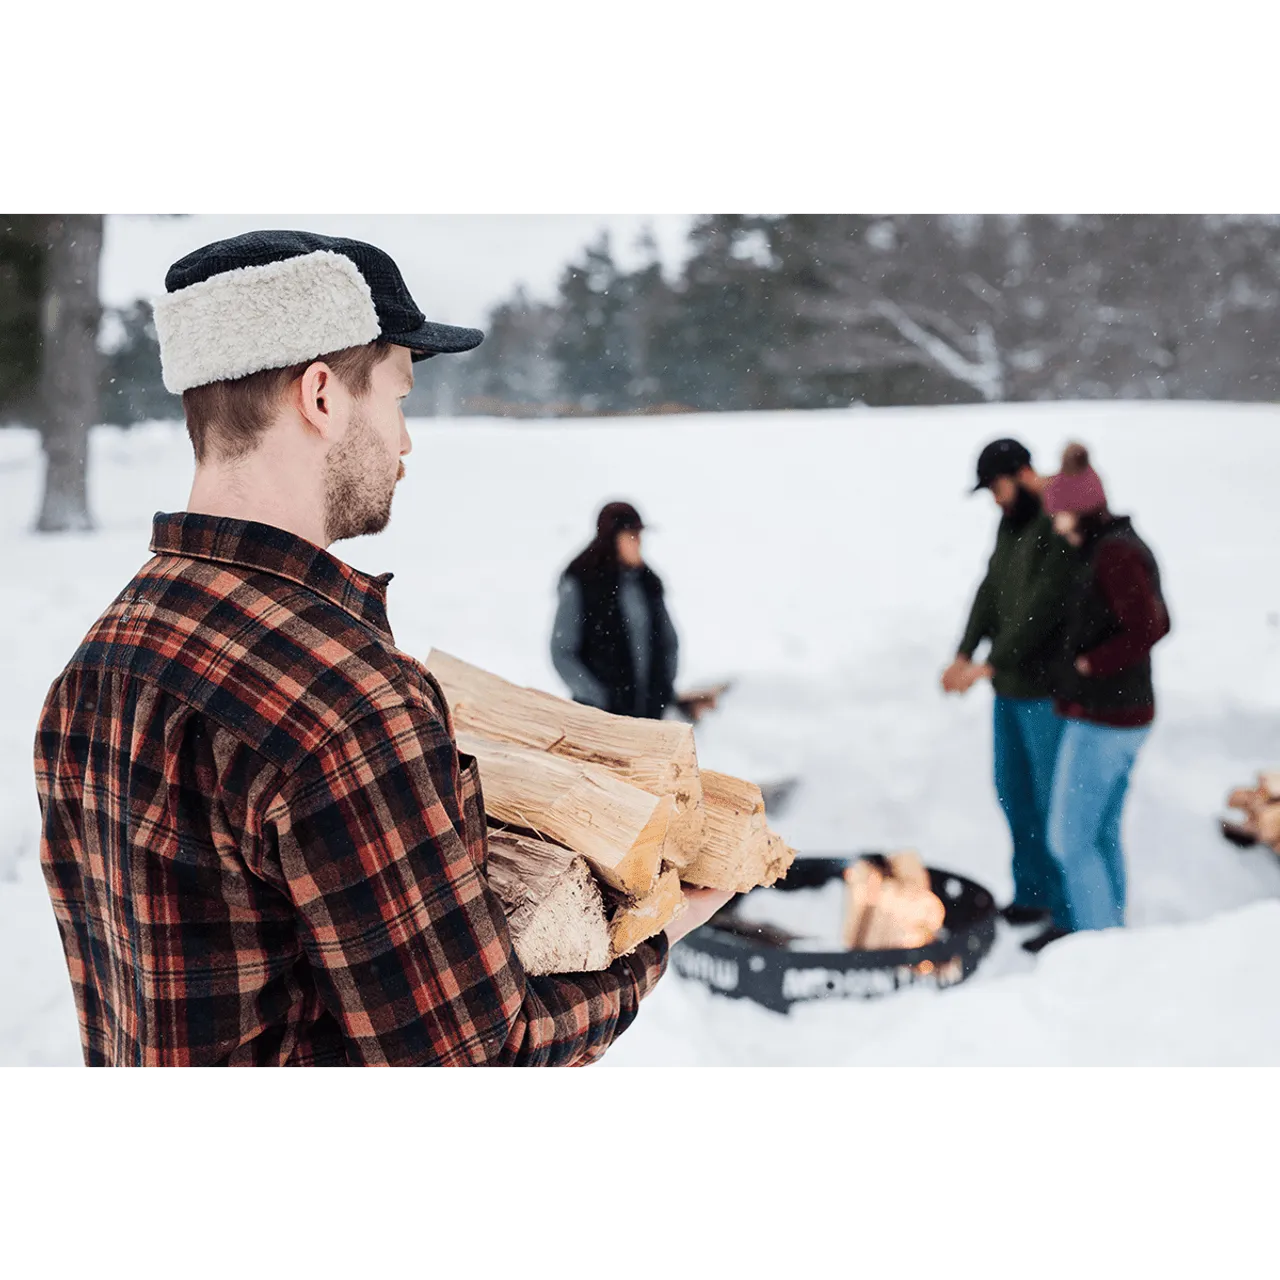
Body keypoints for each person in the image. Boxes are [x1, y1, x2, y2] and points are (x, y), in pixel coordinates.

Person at [33, 231, 732, 1070]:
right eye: (398, 398)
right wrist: (655, 939)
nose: (406, 445)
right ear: (321, 396)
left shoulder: (103, 658)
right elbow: (476, 1055)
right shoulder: (347, 702)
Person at [1024, 444, 1170, 953]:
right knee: (1099, 833)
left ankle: (1098, 954)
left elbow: (1151, 625)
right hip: (1117, 714)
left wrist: (1090, 664)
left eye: (1059, 513)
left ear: (1079, 510)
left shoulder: (1115, 554)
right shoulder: (1111, 547)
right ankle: (1111, 939)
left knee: (1069, 838)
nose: (1056, 524)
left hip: (1106, 718)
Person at [941, 438, 1075, 931]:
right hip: (1008, 691)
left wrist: (989, 663)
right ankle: (1032, 894)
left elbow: (1046, 604)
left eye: (997, 487)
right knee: (1013, 793)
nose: (995, 499)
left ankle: (1066, 913)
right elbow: (991, 586)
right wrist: (964, 650)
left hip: (1045, 692)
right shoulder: (1011, 521)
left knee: (1051, 802)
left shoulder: (1055, 518)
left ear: (1021, 473)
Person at [551, 501, 684, 720]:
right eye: (632, 535)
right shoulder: (582, 583)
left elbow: (670, 642)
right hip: (598, 722)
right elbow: (562, 651)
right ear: (612, 538)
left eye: (639, 535)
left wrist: (663, 689)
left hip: (649, 718)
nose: (639, 542)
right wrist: (596, 697)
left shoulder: (648, 583)